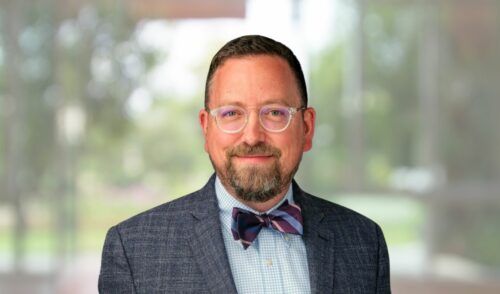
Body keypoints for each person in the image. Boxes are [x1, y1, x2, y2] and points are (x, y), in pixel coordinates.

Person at [98, 35, 391, 294]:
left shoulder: (365, 241)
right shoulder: (133, 250)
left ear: (307, 127)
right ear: (206, 128)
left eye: (275, 112)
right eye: (231, 114)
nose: (252, 136)